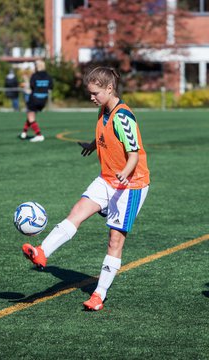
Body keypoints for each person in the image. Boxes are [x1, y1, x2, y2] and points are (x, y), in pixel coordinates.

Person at [22, 66, 150, 310]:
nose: (91, 97)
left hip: (130, 185)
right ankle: (41, 252)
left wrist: (124, 173)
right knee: (77, 211)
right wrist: (94, 145)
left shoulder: (123, 116)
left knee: (114, 241)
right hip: (107, 178)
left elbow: (133, 154)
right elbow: (108, 136)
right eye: (90, 93)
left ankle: (98, 295)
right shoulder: (103, 109)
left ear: (109, 88)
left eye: (95, 93)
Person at [19, 60, 53, 142]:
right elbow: (51, 87)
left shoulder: (34, 75)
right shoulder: (48, 76)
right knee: (31, 116)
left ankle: (39, 135)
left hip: (34, 98)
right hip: (43, 99)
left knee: (30, 116)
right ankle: (24, 132)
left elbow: (32, 86)